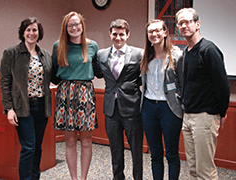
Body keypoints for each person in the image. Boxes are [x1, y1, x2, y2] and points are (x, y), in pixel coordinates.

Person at [175, 8, 230, 180]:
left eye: (188, 22)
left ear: (197, 24)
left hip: (205, 117)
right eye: (180, 23)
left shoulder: (209, 50)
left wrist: (222, 113)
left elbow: (222, 85)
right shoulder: (186, 53)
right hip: (189, 116)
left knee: (205, 171)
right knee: (193, 168)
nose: (184, 26)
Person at [0, 17, 52, 180]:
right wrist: (9, 108)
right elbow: (5, 81)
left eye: (34, 30)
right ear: (23, 32)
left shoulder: (45, 55)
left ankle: (35, 177)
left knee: (37, 148)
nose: (31, 33)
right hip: (22, 107)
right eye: (28, 30)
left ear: (39, 33)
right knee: (28, 147)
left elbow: (53, 77)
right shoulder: (11, 53)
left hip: (41, 106)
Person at [93, 19, 143, 180]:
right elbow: (98, 72)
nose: (118, 37)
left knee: (136, 150)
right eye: (115, 34)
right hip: (110, 109)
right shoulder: (101, 54)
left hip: (132, 108)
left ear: (127, 35)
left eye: (122, 34)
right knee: (115, 149)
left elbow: (143, 77)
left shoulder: (139, 54)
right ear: (110, 34)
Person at [51, 11, 98, 180]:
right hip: (65, 94)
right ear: (65, 28)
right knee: (70, 141)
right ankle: (74, 178)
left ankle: (83, 178)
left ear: (82, 25)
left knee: (86, 141)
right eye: (70, 25)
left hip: (86, 93)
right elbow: (53, 73)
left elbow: (98, 69)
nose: (74, 28)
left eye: (77, 24)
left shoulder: (92, 46)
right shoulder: (59, 46)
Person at [140, 19, 183, 180]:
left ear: (165, 32)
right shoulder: (145, 56)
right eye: (151, 31)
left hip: (169, 109)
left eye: (158, 30)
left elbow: (183, 83)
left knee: (171, 153)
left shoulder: (177, 55)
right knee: (155, 153)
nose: (154, 34)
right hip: (149, 108)